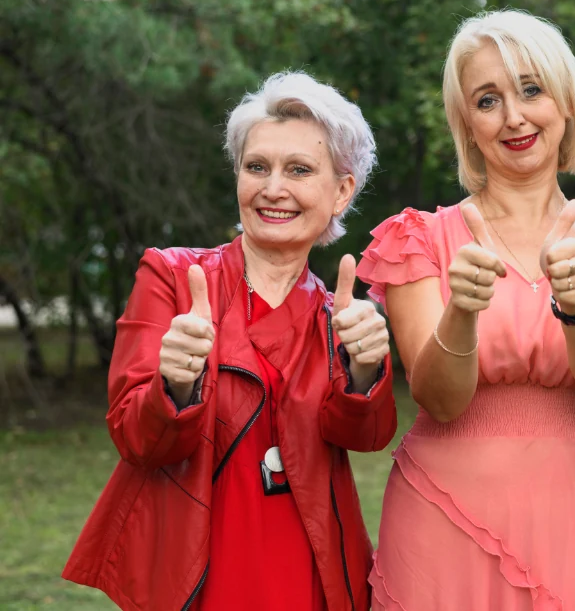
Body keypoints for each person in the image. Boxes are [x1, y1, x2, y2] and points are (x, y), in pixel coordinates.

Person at [62, 71, 397, 611]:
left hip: (309, 564)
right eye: (256, 167)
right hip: (203, 566)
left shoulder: (343, 314)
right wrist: (173, 384)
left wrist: (365, 368)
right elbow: (137, 441)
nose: (272, 188)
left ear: (341, 191)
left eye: (299, 170)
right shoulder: (170, 277)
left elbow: (367, 437)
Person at [357, 10, 575, 610]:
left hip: (572, 513)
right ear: (467, 123)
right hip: (443, 517)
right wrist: (461, 310)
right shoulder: (421, 240)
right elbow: (439, 399)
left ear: (566, 103)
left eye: (531, 90)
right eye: (488, 100)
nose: (514, 117)